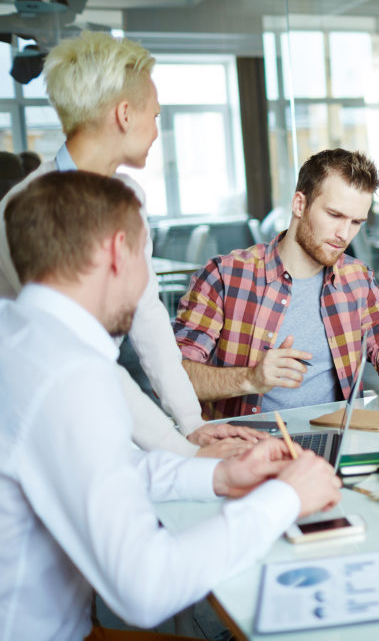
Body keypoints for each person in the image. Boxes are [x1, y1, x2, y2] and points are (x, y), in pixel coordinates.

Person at [0, 171, 341, 641]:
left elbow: (105, 469)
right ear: (119, 252)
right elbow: (147, 588)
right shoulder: (73, 378)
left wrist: (218, 475)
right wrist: (285, 499)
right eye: (147, 257)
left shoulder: (18, 335)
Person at [0, 31, 255, 457]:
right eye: (155, 116)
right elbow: (80, 353)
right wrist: (178, 446)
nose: (157, 130)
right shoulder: (26, 209)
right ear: (123, 114)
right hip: (39, 414)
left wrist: (191, 422)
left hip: (99, 394)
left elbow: (147, 311)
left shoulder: (129, 196)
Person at [174, 148, 379, 419]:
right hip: (246, 447)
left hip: (333, 442)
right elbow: (174, 376)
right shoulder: (224, 276)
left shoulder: (359, 280)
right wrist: (251, 379)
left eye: (356, 222)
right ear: (300, 204)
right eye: (334, 215)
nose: (344, 234)